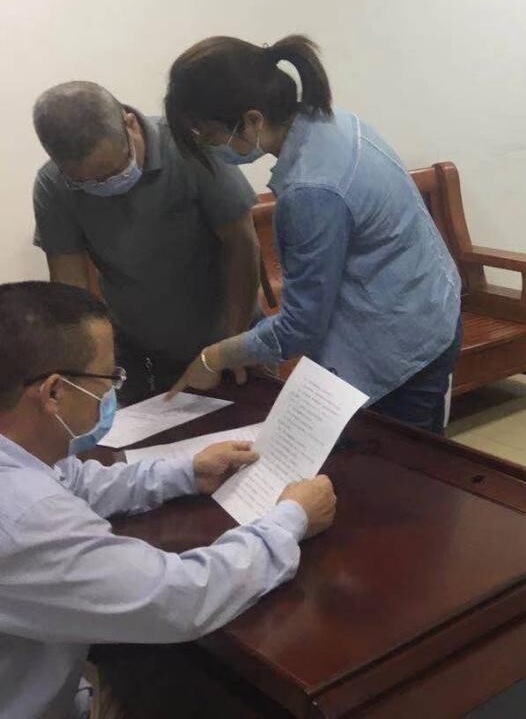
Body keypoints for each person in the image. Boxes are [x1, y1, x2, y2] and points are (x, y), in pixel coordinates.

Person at [0, 281, 336, 719]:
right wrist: (290, 520)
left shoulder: (21, 455)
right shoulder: (24, 516)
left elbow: (74, 482)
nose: (111, 393)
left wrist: (186, 472)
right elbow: (178, 599)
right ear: (54, 393)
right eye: (108, 379)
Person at [162, 35, 463, 433]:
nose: (209, 147)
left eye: (210, 135)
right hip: (424, 309)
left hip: (403, 351)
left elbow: (300, 328)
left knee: (407, 464)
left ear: (252, 120)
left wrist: (213, 358)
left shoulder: (311, 190)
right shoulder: (334, 122)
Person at [32, 82, 262, 403]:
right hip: (139, 354)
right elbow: (71, 292)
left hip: (229, 338)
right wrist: (87, 374)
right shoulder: (53, 185)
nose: (105, 185)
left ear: (129, 124)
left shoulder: (187, 145)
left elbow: (243, 246)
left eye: (113, 171)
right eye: (86, 182)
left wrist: (231, 345)